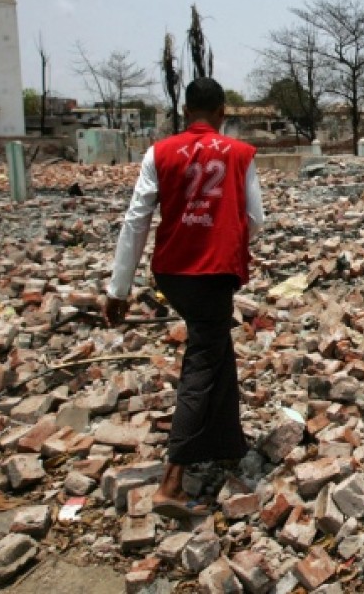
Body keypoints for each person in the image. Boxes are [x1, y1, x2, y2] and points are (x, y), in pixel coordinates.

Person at [104, 77, 264, 518]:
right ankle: (171, 480)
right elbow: (255, 217)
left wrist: (119, 289)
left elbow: (136, 220)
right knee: (201, 360)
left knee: (215, 347)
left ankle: (227, 444)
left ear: (186, 109)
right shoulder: (241, 154)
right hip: (214, 273)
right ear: (222, 113)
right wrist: (227, 239)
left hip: (172, 273)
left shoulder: (159, 152)